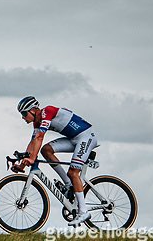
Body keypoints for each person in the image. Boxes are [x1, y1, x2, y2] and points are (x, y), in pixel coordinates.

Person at [13, 96, 98, 227]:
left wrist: (31, 158)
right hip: (74, 138)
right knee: (46, 150)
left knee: (73, 172)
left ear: (33, 110)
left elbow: (40, 137)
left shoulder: (47, 112)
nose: (23, 117)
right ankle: (69, 184)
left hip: (86, 137)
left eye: (24, 114)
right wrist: (22, 164)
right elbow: (33, 143)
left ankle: (83, 211)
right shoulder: (37, 122)